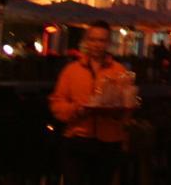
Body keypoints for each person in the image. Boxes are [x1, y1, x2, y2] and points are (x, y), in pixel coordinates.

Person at [49, 22, 133, 185]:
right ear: (86, 41)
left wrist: (118, 113)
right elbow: (57, 104)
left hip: (108, 141)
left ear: (108, 43)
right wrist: (76, 110)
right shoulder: (71, 71)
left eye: (101, 40)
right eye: (93, 40)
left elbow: (126, 106)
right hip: (77, 138)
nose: (97, 44)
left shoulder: (119, 71)